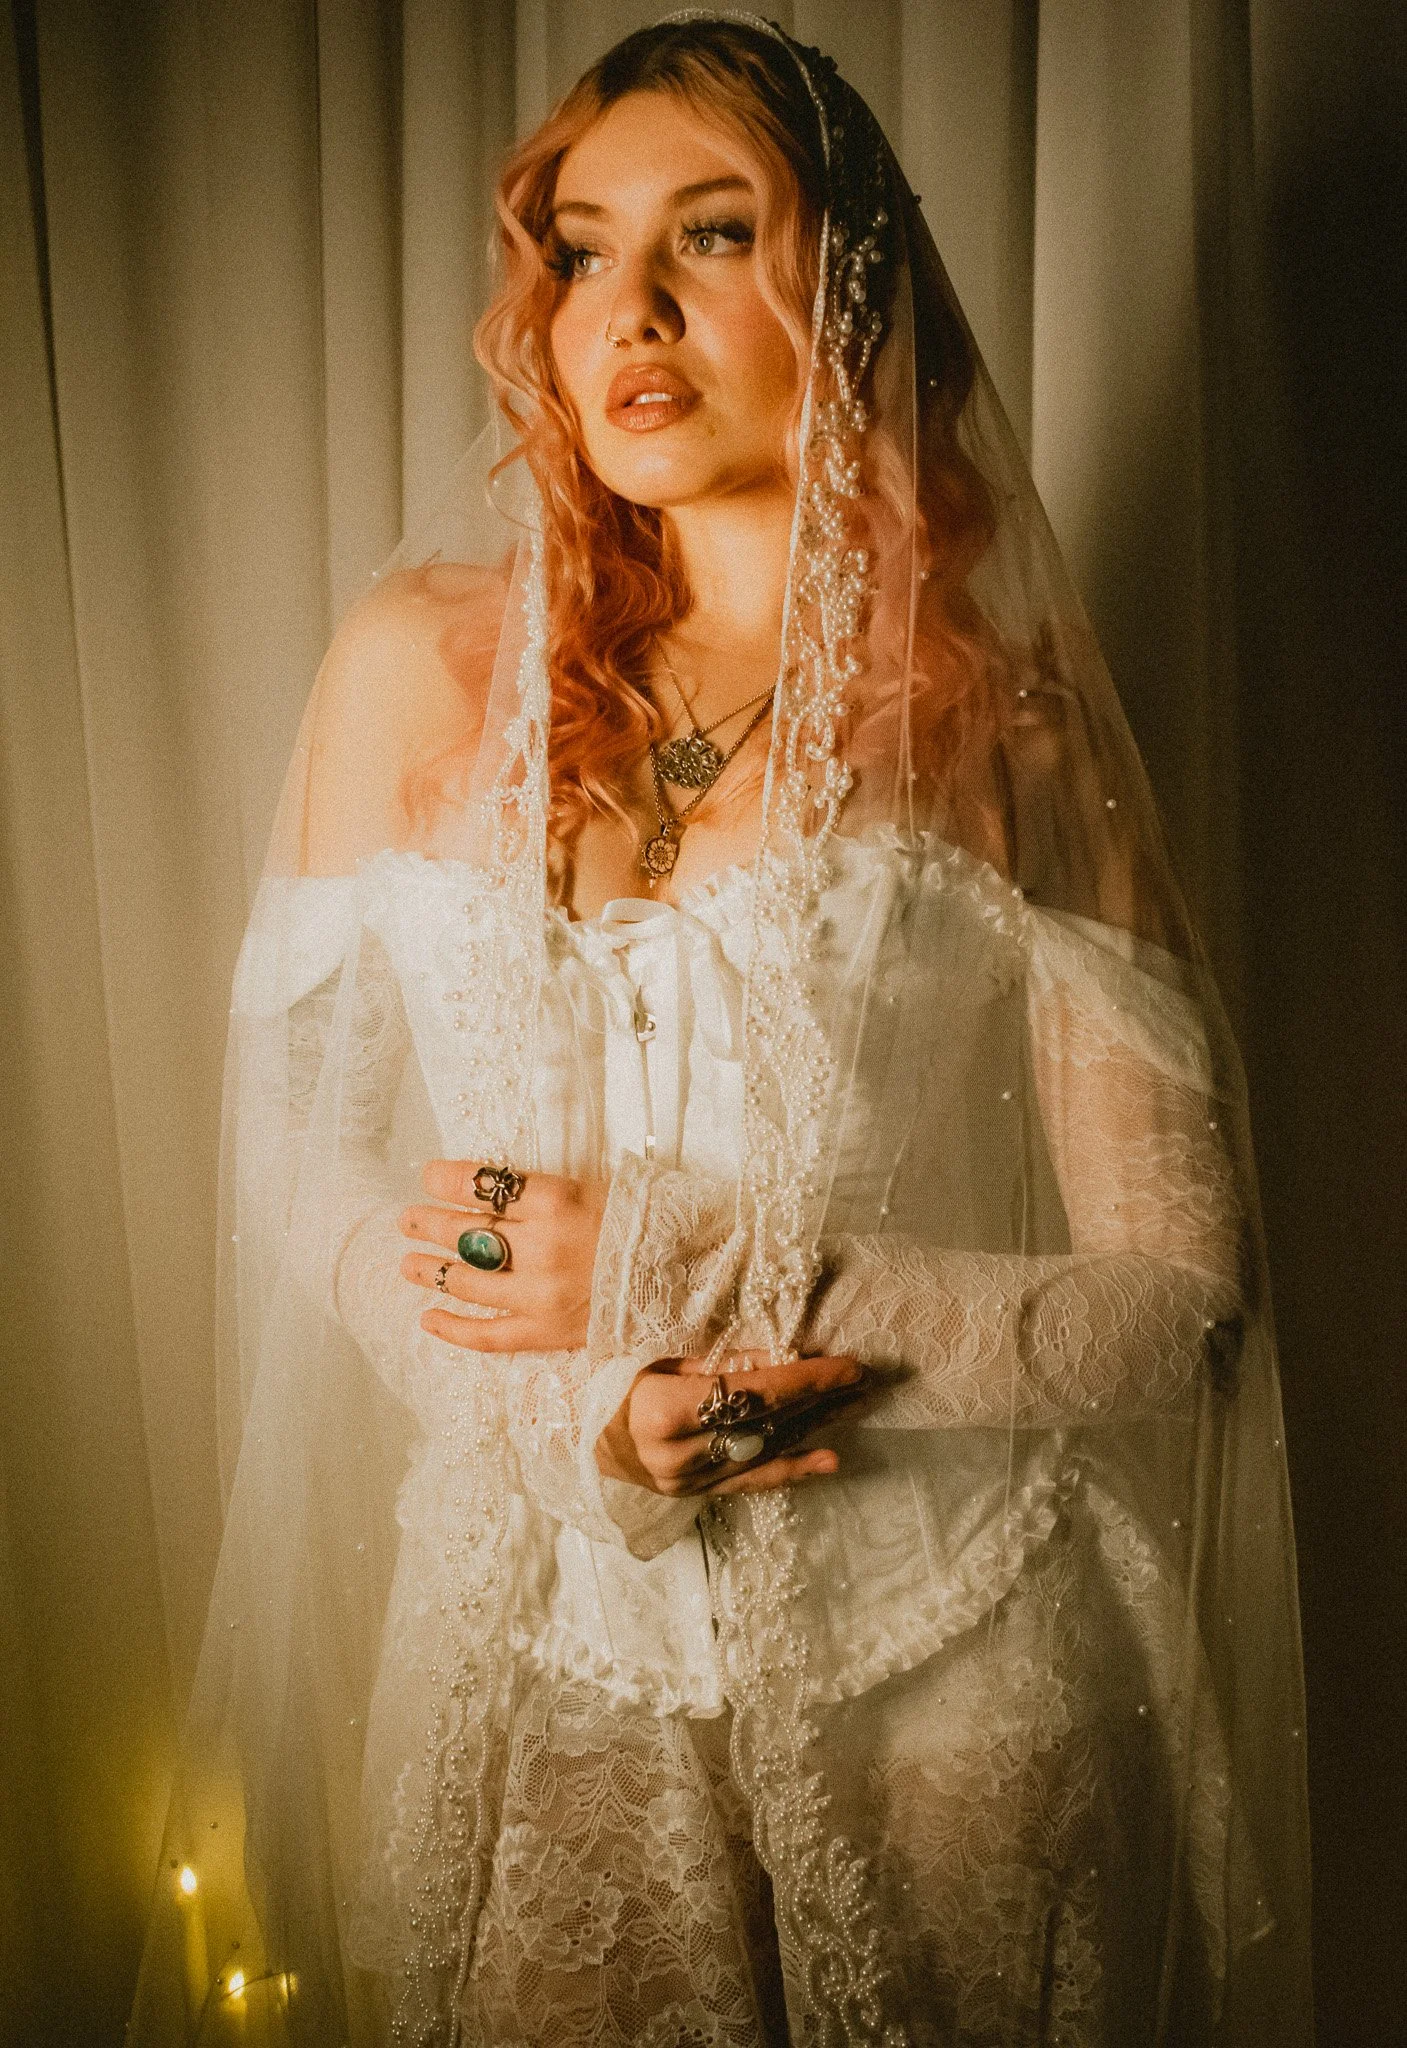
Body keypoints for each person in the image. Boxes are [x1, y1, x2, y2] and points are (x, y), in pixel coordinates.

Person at [131, 15, 1312, 2046]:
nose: (631, 311)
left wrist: (682, 1270)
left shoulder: (1007, 731)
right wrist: (569, 1409)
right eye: (582, 250)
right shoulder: (415, 664)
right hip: (540, 1644)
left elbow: (1181, 1293)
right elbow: (295, 1150)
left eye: (710, 233)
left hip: (954, 1661)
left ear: (845, 288)